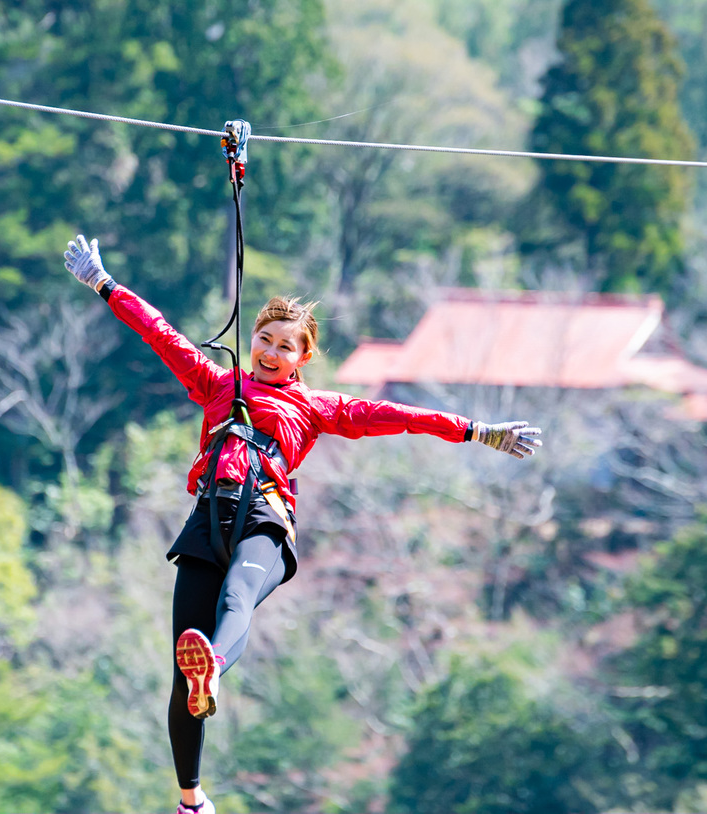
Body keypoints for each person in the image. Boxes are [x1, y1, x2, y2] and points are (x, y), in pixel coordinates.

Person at [64, 234, 542, 814]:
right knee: (181, 681)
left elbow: (401, 416)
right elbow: (160, 333)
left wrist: (477, 430)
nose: (269, 351)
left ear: (302, 358)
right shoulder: (217, 383)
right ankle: (192, 798)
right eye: (263, 339)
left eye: (284, 346)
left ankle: (213, 662)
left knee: (237, 597)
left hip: (264, 517)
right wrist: (104, 285)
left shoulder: (317, 408)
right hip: (206, 519)